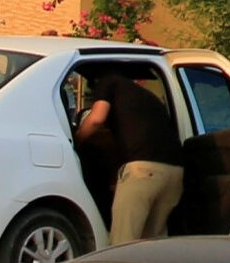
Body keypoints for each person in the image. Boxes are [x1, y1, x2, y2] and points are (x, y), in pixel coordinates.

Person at [79, 65, 185, 241]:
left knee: (123, 241)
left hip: (143, 172)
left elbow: (97, 119)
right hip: (174, 173)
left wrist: (77, 138)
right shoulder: (145, 97)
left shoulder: (108, 82)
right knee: (151, 243)